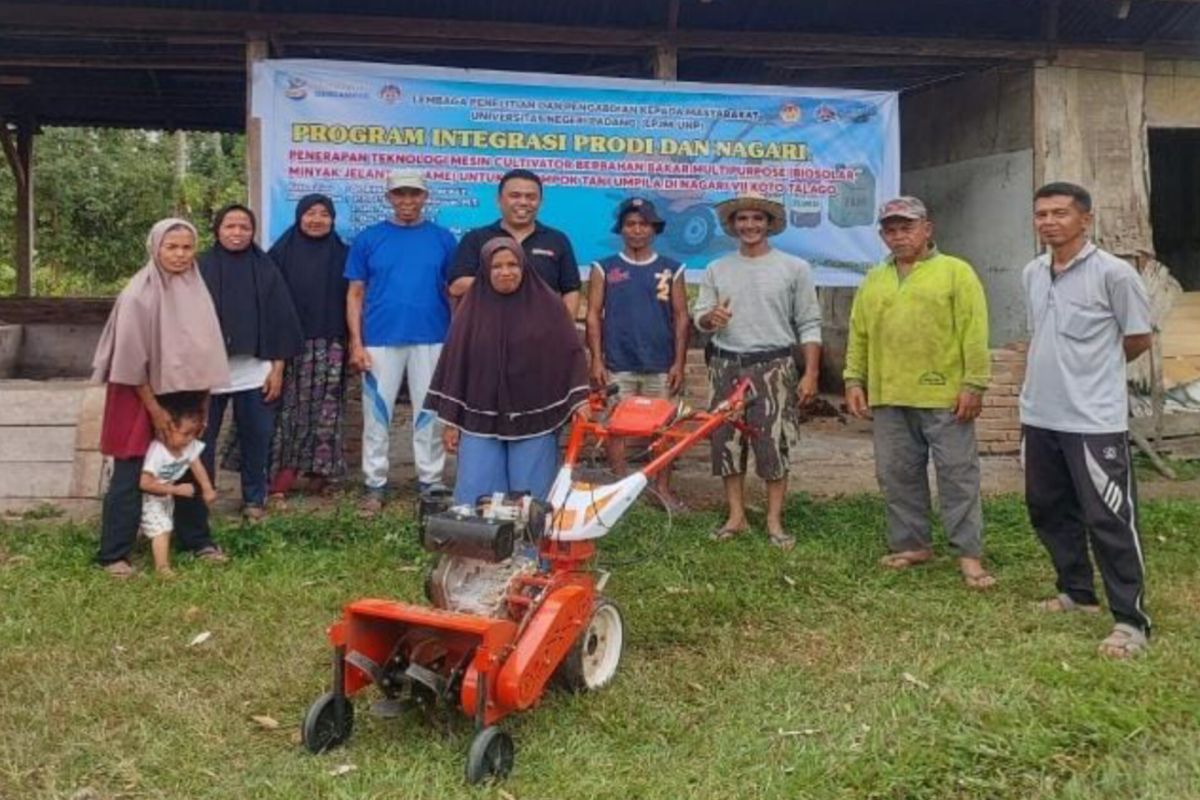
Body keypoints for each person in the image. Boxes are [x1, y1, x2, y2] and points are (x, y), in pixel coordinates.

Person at [1020, 181, 1153, 659]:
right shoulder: (1033, 272)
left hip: (1094, 419)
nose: (1049, 222)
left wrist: (1096, 368)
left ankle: (1131, 621)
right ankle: (1076, 593)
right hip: (1040, 413)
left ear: (1085, 219)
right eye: (1041, 214)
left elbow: (1138, 337)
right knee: (1048, 507)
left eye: (1060, 213)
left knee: (1109, 517)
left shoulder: (1114, 275)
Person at [844, 196, 994, 589]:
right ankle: (913, 544)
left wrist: (973, 384)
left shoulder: (955, 273)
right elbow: (859, 335)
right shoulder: (874, 279)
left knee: (958, 476)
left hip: (944, 395)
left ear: (927, 229)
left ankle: (969, 555)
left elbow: (974, 333)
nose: (898, 236)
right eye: (890, 230)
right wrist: (853, 380)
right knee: (896, 475)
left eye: (906, 227)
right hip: (889, 395)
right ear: (882, 236)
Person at [92, 217, 231, 578]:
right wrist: (155, 412)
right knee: (131, 468)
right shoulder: (139, 292)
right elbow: (130, 362)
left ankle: (198, 540)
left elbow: (205, 352)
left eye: (187, 247)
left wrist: (201, 404)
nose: (180, 255)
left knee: (187, 460)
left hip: (185, 393)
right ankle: (114, 553)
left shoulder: (197, 288)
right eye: (172, 247)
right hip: (140, 393)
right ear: (155, 247)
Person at [693, 193, 821, 550]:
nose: (750, 225)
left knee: (773, 444)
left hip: (774, 365)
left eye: (757, 219)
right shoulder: (717, 268)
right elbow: (700, 316)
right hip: (725, 365)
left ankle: (774, 521)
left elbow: (810, 323)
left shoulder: (795, 268)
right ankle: (735, 517)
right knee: (727, 443)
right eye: (742, 219)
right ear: (733, 225)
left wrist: (810, 373)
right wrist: (710, 318)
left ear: (769, 224)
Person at [425, 237, 590, 505]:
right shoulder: (470, 311)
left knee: (531, 499)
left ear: (524, 267)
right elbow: (455, 368)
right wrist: (451, 423)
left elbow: (570, 353)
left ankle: (528, 546)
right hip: (479, 417)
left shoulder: (549, 306)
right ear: (485, 270)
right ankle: (481, 547)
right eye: (496, 266)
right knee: (478, 496)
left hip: (535, 416)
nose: (505, 272)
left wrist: (578, 397)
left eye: (513, 264)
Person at [345, 170, 457, 514]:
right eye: (400, 194)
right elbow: (355, 293)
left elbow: (453, 293)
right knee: (377, 415)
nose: (407, 201)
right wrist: (356, 343)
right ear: (389, 197)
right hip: (380, 338)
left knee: (430, 413)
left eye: (414, 194)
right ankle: (375, 484)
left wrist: (455, 341)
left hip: (433, 337)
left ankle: (431, 483)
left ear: (426, 197)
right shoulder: (369, 239)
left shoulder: (443, 239)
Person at [199, 204, 304, 522]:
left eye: (244, 227)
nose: (237, 232)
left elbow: (280, 321)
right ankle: (199, 500)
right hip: (207, 371)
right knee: (202, 437)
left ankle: (254, 499)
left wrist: (278, 369)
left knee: (257, 435)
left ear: (253, 231)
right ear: (218, 230)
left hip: (254, 370)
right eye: (230, 226)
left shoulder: (266, 268)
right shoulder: (199, 268)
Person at [585, 197, 689, 511]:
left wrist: (679, 363)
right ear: (621, 228)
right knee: (617, 426)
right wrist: (597, 360)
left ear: (654, 229)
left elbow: (682, 317)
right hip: (619, 362)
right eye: (631, 224)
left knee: (665, 428)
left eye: (644, 224)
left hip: (660, 364)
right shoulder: (604, 268)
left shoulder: (672, 269)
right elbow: (592, 314)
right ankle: (620, 490)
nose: (637, 230)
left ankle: (662, 489)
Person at [265, 193, 350, 504]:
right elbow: (269, 303)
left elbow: (355, 299)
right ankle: (280, 480)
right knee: (290, 412)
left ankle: (321, 476)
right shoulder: (279, 255)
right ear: (299, 216)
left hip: (332, 345)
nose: (317, 219)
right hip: (290, 345)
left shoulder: (343, 254)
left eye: (324, 213)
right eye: (310, 213)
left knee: (328, 411)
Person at [447, 169, 581, 317]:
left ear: (540, 202)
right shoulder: (476, 238)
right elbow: (456, 286)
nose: (523, 202)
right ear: (499, 200)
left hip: (542, 333)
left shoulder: (557, 240)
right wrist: (504, 280)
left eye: (531, 197)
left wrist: (566, 329)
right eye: (515, 196)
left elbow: (571, 290)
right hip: (488, 331)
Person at [139, 392, 216, 577]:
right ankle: (162, 568)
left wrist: (207, 488)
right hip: (151, 497)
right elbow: (144, 483)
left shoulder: (187, 446)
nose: (190, 438)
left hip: (166, 496)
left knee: (164, 526)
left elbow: (196, 465)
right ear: (166, 428)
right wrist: (175, 489)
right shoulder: (157, 452)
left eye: (195, 433)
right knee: (162, 529)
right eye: (186, 433)